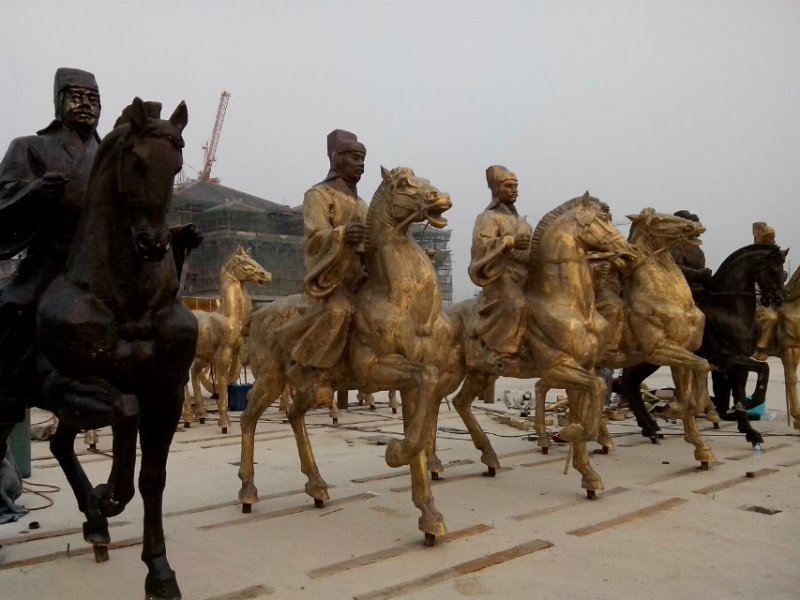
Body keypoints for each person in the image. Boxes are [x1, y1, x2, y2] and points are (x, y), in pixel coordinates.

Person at [0, 68, 102, 427]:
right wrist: (34, 191)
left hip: (102, 267)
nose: (86, 105)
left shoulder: (110, 156)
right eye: (76, 97)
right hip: (51, 259)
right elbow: (4, 197)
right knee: (14, 309)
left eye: (93, 99)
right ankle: (9, 390)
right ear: (58, 102)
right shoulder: (30, 147)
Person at [291, 129, 369, 369]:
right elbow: (314, 236)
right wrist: (342, 234)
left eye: (363, 159)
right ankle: (311, 368)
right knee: (339, 311)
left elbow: (373, 244)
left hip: (360, 278)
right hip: (332, 279)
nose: (361, 165)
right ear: (336, 157)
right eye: (355, 158)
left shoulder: (362, 204)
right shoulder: (318, 195)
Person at [467, 165, 532, 368]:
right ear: (496, 189)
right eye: (509, 186)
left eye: (516, 186)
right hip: (501, 275)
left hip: (525, 274)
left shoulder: (523, 222)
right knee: (516, 304)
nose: (514, 190)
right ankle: (501, 352)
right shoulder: (488, 218)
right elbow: (481, 245)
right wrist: (509, 241)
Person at [669, 210, 712, 299]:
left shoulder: (697, 250)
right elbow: (676, 268)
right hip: (680, 291)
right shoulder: (674, 245)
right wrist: (698, 273)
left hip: (699, 290)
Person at [753, 222, 779, 360]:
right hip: (756, 294)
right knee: (771, 317)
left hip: (772, 294)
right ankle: (761, 346)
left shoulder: (774, 256)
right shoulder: (754, 256)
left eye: (772, 239)